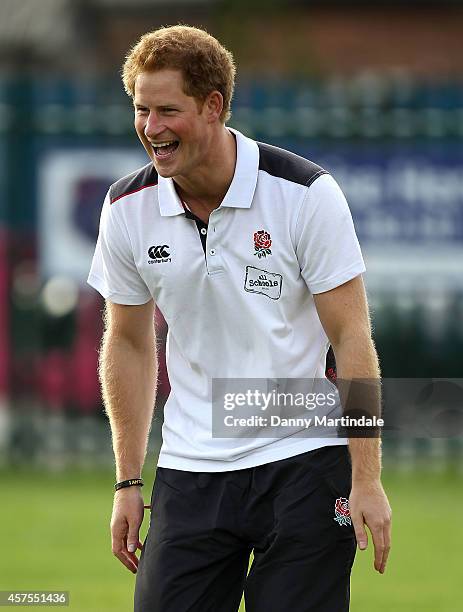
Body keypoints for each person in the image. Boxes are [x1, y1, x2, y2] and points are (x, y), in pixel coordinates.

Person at [88, 24, 391, 612]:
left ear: (213, 106)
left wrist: (367, 477)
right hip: (189, 469)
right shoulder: (125, 209)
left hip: (303, 463)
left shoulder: (306, 194)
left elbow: (353, 337)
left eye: (167, 110)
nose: (151, 129)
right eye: (141, 110)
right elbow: (126, 342)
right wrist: (128, 481)